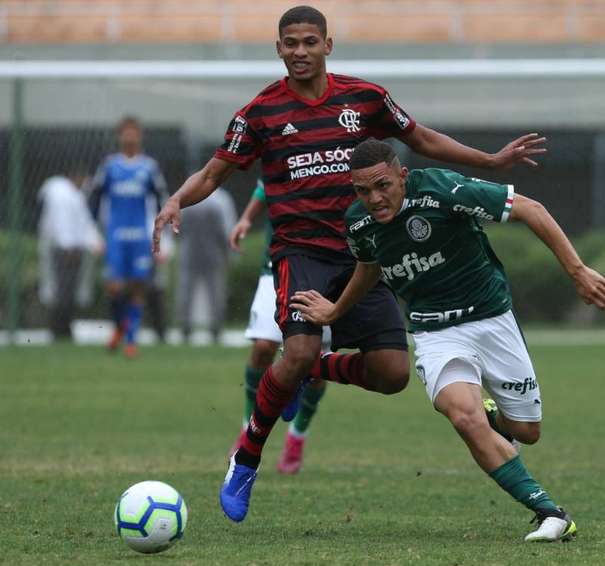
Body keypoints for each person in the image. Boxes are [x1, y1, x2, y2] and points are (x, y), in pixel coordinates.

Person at [152, 5, 545, 523]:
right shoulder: (260, 114)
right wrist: (179, 198)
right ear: (278, 49)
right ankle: (246, 455)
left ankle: (301, 372)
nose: (299, 52)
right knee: (296, 347)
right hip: (301, 254)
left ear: (327, 46)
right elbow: (214, 171)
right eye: (289, 43)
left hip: (366, 253)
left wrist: (490, 161)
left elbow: (422, 139)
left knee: (392, 373)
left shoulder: (364, 99)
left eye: (309, 42)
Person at [290, 139, 605, 541]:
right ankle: (550, 512)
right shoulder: (359, 223)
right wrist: (334, 311)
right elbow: (369, 266)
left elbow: (532, 209)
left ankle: (492, 412)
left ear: (402, 176)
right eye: (363, 191)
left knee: (527, 430)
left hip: (492, 321)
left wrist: (579, 271)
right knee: (464, 417)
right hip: (434, 333)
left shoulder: (442, 191)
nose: (374, 199)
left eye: (383, 186)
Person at [229, 178, 329, 473]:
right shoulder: (283, 143)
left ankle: (297, 437)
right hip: (276, 265)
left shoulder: (337, 146)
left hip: (323, 266)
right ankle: (249, 427)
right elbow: (263, 186)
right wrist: (246, 219)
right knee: (263, 347)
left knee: (316, 361)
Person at [91, 116, 168, 358]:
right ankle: (120, 326)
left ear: (140, 135)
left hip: (139, 237)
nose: (129, 137)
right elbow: (93, 200)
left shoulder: (149, 167)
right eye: (125, 132)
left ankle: (131, 341)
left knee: (137, 286)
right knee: (114, 287)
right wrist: (95, 234)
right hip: (115, 235)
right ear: (119, 136)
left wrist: (161, 238)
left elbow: (161, 202)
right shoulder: (109, 166)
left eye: (133, 132)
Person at [38, 169, 103, 340]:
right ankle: (60, 329)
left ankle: (63, 328)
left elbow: (83, 223)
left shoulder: (73, 195)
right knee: (63, 293)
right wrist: (68, 247)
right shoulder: (63, 195)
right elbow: (62, 223)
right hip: (66, 251)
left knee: (66, 292)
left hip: (71, 249)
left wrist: (95, 242)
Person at [176, 186, 237, 343]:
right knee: (215, 292)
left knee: (186, 291)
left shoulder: (188, 199)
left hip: (190, 253)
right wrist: (228, 255)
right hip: (212, 254)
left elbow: (179, 230)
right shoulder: (219, 202)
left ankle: (185, 327)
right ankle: (215, 328)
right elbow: (224, 232)